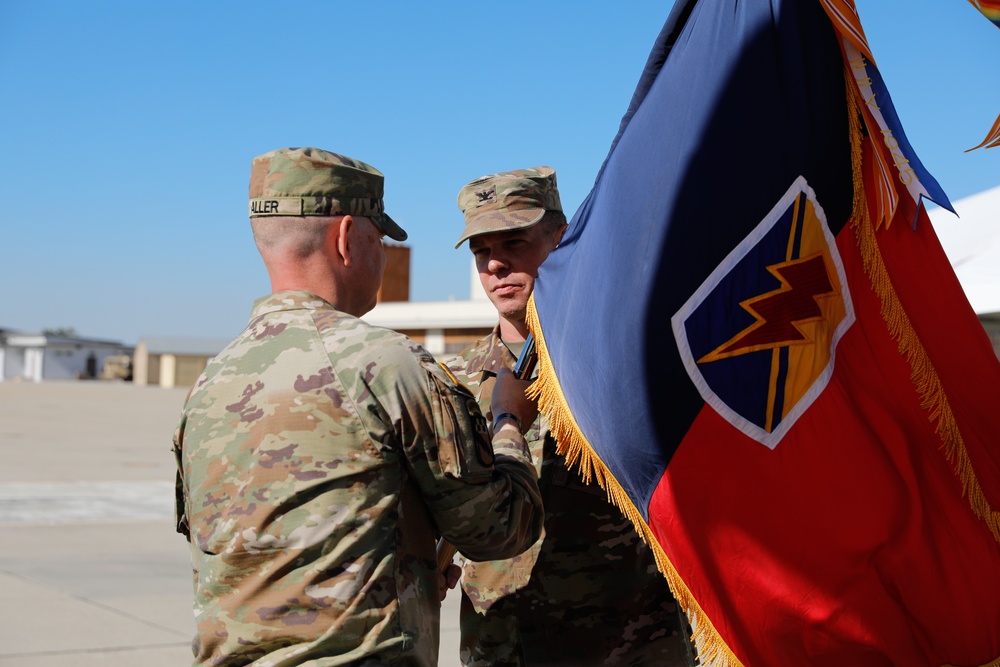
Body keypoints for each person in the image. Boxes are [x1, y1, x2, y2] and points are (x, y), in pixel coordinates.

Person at [173, 147, 544, 667]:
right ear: (347, 238)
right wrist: (507, 422)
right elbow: (500, 528)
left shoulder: (209, 384)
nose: (384, 254)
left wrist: (415, 554)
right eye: (380, 239)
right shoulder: (389, 366)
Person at [449, 166, 697, 666]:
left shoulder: (629, 361)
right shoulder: (452, 379)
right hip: (503, 644)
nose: (495, 265)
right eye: (481, 251)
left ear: (561, 241)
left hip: (628, 643)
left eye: (514, 243)